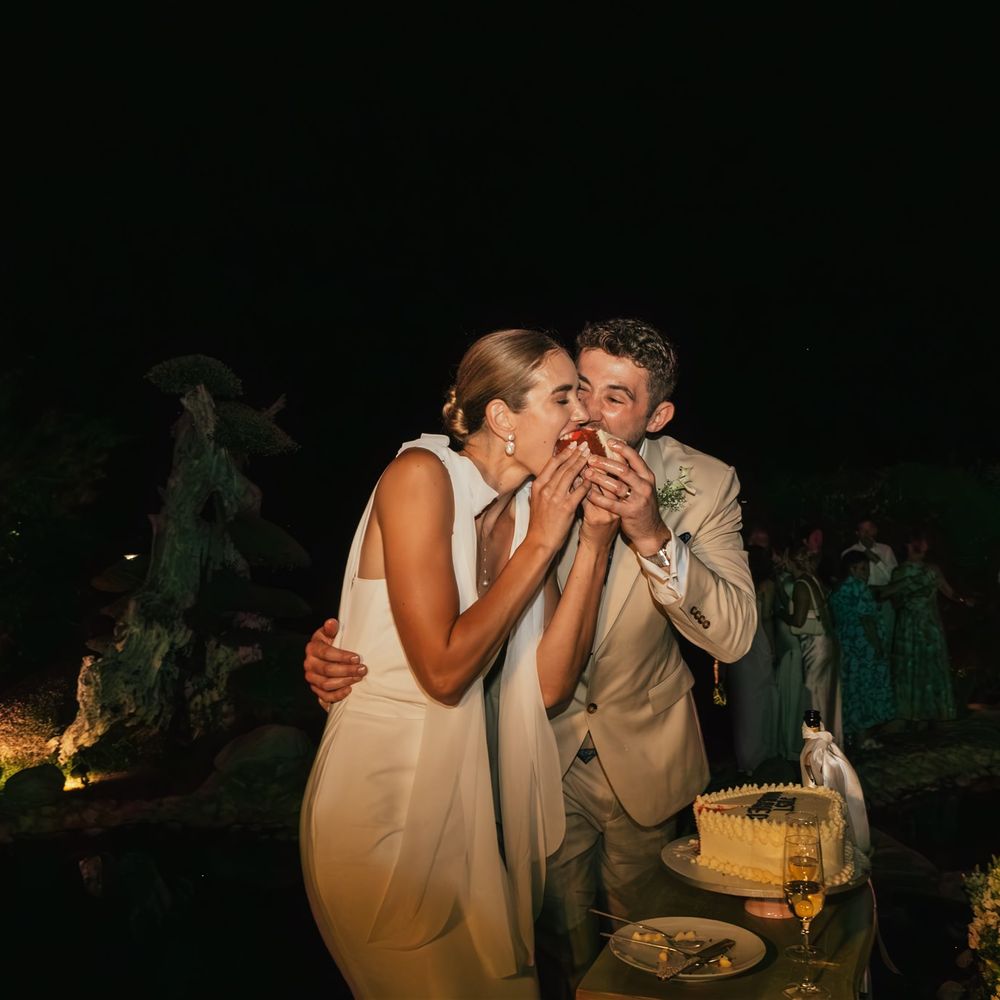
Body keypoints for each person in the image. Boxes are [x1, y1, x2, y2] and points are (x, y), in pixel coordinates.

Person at [305, 318, 757, 997]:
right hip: (496, 771)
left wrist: (636, 534)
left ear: (657, 416)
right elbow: (430, 638)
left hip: (608, 760)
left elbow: (729, 638)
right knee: (553, 958)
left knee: (653, 957)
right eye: (576, 391)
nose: (588, 415)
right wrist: (344, 648)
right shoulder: (484, 486)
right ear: (505, 413)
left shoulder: (700, 484)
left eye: (614, 398)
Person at [299, 329, 619, 999]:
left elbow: (551, 684)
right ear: (502, 417)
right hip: (378, 804)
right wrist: (544, 542)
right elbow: (443, 674)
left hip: (465, 805)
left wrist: (592, 539)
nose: (582, 416)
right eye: (563, 398)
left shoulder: (531, 509)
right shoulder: (419, 477)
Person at [890, 530, 972, 727]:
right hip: (909, 626)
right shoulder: (899, 571)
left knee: (930, 668)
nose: (921, 547)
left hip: (929, 625)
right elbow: (894, 600)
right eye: (918, 543)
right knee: (910, 668)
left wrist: (963, 600)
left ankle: (929, 714)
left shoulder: (932, 569)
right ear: (909, 545)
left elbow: (948, 591)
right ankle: (910, 715)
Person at [829, 550, 896, 750]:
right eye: (863, 568)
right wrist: (877, 646)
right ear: (852, 569)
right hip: (863, 647)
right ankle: (864, 738)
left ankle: (854, 735)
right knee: (866, 690)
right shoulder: (858, 588)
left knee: (852, 690)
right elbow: (866, 620)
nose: (867, 573)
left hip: (847, 647)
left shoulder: (837, 589)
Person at [779, 544, 843, 745]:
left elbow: (798, 621)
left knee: (812, 693)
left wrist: (781, 613)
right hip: (826, 641)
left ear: (792, 561)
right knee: (827, 693)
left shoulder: (801, 585)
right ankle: (830, 740)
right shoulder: (814, 580)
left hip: (815, 645)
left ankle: (816, 743)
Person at [724, 544, 779, 774]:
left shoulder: (737, 583)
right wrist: (773, 648)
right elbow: (766, 618)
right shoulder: (767, 585)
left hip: (740, 643)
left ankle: (745, 757)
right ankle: (759, 755)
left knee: (743, 702)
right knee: (760, 700)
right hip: (759, 641)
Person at [842, 518, 899, 650]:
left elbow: (894, 579)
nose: (866, 534)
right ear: (857, 533)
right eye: (863, 530)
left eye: (869, 530)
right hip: (861, 605)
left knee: (886, 640)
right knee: (863, 642)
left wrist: (876, 560)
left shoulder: (886, 550)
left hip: (884, 603)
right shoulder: (849, 552)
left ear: (875, 531)